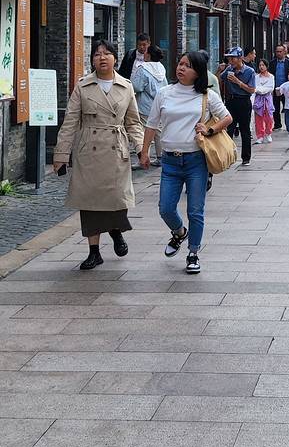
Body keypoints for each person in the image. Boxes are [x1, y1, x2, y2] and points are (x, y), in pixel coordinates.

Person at [53, 39, 144, 270]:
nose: (102, 57)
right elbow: (70, 121)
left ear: (115, 58)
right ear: (92, 59)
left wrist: (142, 148)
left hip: (116, 150)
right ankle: (94, 252)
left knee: (117, 199)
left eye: (106, 53)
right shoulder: (83, 86)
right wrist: (61, 154)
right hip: (89, 151)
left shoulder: (126, 86)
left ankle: (116, 230)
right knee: (90, 203)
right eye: (97, 54)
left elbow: (133, 122)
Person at [140, 50, 232, 274]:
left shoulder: (207, 96)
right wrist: (144, 152)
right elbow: (151, 124)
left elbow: (227, 118)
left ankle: (193, 253)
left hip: (195, 161)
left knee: (195, 210)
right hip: (170, 161)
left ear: (198, 72)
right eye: (180, 63)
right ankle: (180, 232)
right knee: (165, 208)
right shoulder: (164, 93)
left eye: (188, 65)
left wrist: (209, 130)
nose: (181, 68)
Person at [218, 48, 256, 165]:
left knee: (245, 130)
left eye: (233, 58)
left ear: (240, 58)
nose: (230, 61)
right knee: (229, 129)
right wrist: (219, 70)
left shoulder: (250, 71)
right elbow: (219, 79)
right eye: (229, 59)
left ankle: (246, 158)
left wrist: (237, 82)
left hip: (244, 101)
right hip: (231, 101)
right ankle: (228, 156)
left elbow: (252, 89)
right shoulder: (229, 69)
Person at [130, 46, 167, 162]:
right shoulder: (161, 68)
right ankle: (161, 157)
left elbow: (136, 86)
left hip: (145, 105)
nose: (144, 54)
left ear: (149, 55)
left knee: (143, 132)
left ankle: (143, 157)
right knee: (158, 131)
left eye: (146, 52)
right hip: (159, 103)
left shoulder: (143, 69)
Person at [269, 43, 289, 131]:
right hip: (275, 88)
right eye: (277, 51)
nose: (279, 53)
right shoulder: (272, 63)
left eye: (280, 51)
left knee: (287, 107)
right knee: (275, 107)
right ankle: (277, 124)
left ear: (284, 52)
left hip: (287, 89)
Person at [253, 59, 275, 143]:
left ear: (266, 66)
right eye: (260, 65)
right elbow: (255, 88)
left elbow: (271, 88)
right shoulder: (256, 77)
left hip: (267, 99)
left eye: (263, 65)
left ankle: (268, 133)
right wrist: (261, 90)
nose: (261, 67)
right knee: (258, 118)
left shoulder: (271, 77)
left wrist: (261, 90)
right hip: (258, 99)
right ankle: (260, 136)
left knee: (269, 117)